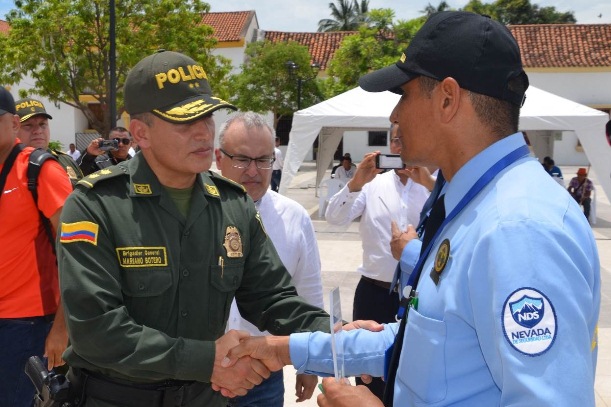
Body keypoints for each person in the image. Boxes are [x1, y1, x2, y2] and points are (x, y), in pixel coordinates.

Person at [221, 11, 600, 407]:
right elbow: (424, 345)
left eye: (404, 94)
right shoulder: (475, 203)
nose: (394, 115)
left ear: (448, 99)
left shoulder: (518, 228)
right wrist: (283, 349)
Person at [56, 50, 329, 407]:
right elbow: (95, 329)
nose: (203, 132)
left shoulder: (233, 204)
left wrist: (332, 336)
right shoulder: (96, 205)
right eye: (185, 122)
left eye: (208, 117)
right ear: (141, 133)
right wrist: (205, 361)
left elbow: (271, 297)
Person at [215, 112, 324, 406]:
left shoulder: (294, 217)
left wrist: (310, 362)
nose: (254, 170)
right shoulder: (192, 214)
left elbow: (308, 292)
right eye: (242, 159)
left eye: (264, 160)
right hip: (199, 378)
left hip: (262, 375)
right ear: (218, 158)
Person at [324, 123, 430, 399]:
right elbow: (334, 218)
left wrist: (430, 184)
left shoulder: (434, 186)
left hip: (420, 297)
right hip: (374, 293)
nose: (400, 146)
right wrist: (355, 183)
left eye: (408, 138)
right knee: (368, 377)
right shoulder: (372, 185)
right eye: (396, 140)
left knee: (416, 375)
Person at [0, 88, 72, 407]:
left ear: (14, 124)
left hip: (28, 325)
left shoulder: (40, 169)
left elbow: (79, 254)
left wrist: (62, 328)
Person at [15, 97, 83, 184]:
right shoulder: (7, 168)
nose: (38, 131)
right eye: (28, 125)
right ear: (14, 129)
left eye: (42, 124)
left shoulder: (66, 161)